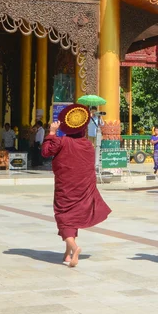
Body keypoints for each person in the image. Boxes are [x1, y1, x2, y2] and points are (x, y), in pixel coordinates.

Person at [41, 104, 112, 268]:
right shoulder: (87, 145)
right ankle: (67, 254)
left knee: (64, 217)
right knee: (72, 219)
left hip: (65, 188)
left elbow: (45, 152)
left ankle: (75, 247)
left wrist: (51, 132)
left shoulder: (61, 142)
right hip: (81, 189)